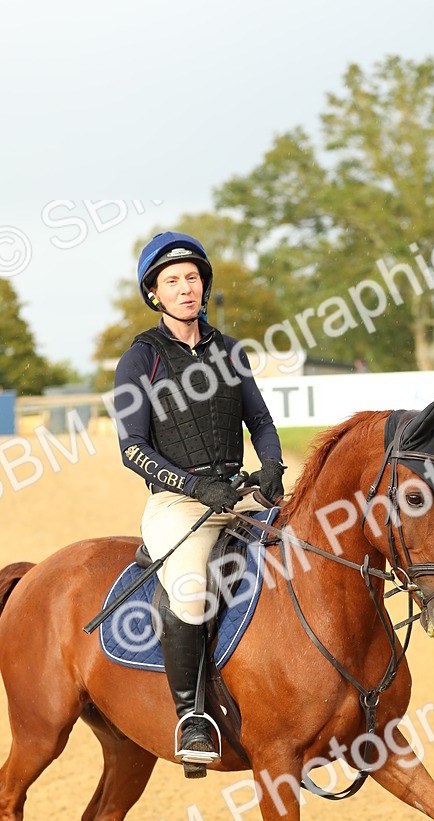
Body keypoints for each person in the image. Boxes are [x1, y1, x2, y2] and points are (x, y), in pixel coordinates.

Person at [113, 231, 285, 768]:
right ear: (155, 294)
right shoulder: (139, 360)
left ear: (203, 286)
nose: (185, 288)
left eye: (192, 278)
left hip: (238, 493)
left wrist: (274, 466)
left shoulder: (230, 351)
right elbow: (131, 448)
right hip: (178, 502)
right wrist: (196, 488)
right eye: (172, 282)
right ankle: (191, 717)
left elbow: (259, 421)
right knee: (190, 590)